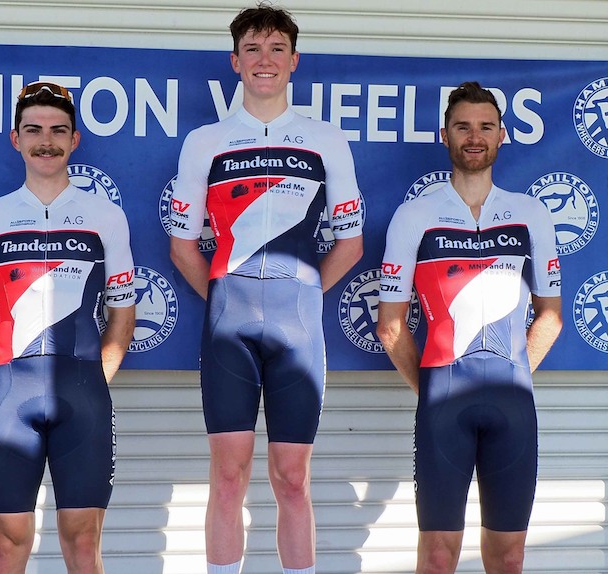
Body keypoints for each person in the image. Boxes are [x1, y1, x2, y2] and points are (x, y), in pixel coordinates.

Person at [169, 4, 364, 573]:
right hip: (228, 325)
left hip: (296, 325)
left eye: (277, 48)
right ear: (235, 61)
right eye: (252, 49)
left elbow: (350, 243)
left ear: (294, 61)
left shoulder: (326, 140)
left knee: (293, 477)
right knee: (228, 476)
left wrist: (304, 293)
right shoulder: (205, 142)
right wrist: (225, 298)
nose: (265, 60)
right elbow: (183, 247)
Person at [376, 81, 563, 574]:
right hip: (443, 406)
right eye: (463, 127)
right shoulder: (414, 216)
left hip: (512, 406)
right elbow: (390, 325)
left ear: (502, 135)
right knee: (438, 558)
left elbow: (550, 315)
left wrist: (513, 372)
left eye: (485, 127)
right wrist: (433, 388)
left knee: (510, 558)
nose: (474, 137)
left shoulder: (531, 214)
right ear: (445, 135)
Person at [0, 81, 136, 574]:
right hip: (10, 396)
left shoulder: (106, 217)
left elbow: (122, 316)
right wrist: (4, 383)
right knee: (7, 545)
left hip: (84, 396)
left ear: (75, 140)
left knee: (83, 543)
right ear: (16, 139)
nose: (46, 141)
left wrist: (92, 380)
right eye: (33, 130)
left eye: (58, 130)